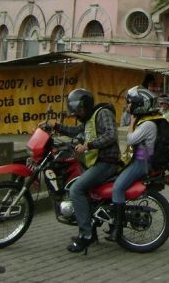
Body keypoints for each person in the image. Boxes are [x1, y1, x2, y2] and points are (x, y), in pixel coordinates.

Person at [55, 88, 121, 253]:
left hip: (106, 162)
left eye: (79, 110)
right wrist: (55, 127)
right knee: (81, 189)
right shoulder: (89, 119)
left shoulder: (102, 113)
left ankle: (86, 235)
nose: (77, 114)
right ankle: (92, 230)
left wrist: (88, 145)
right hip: (95, 162)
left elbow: (111, 134)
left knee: (76, 189)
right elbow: (77, 131)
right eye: (75, 111)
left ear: (87, 105)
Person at [106, 86, 157, 242]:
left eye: (129, 103)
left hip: (141, 162)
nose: (127, 106)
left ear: (139, 105)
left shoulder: (147, 124)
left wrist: (131, 123)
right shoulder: (145, 122)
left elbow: (130, 139)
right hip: (137, 159)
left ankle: (117, 229)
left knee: (118, 187)